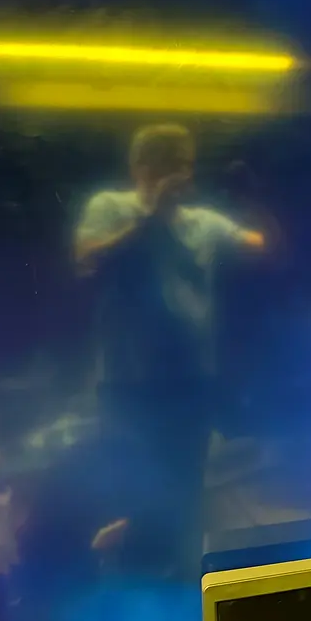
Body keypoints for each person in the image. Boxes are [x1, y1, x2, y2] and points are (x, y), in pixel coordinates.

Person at [74, 122, 264, 584]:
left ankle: (185, 583)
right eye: (169, 166)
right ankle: (133, 589)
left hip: (191, 382)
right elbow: (88, 258)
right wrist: (150, 219)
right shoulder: (111, 207)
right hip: (128, 383)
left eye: (186, 166)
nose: (181, 176)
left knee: (186, 488)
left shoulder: (202, 221)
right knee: (132, 493)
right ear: (140, 167)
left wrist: (250, 195)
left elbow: (262, 249)